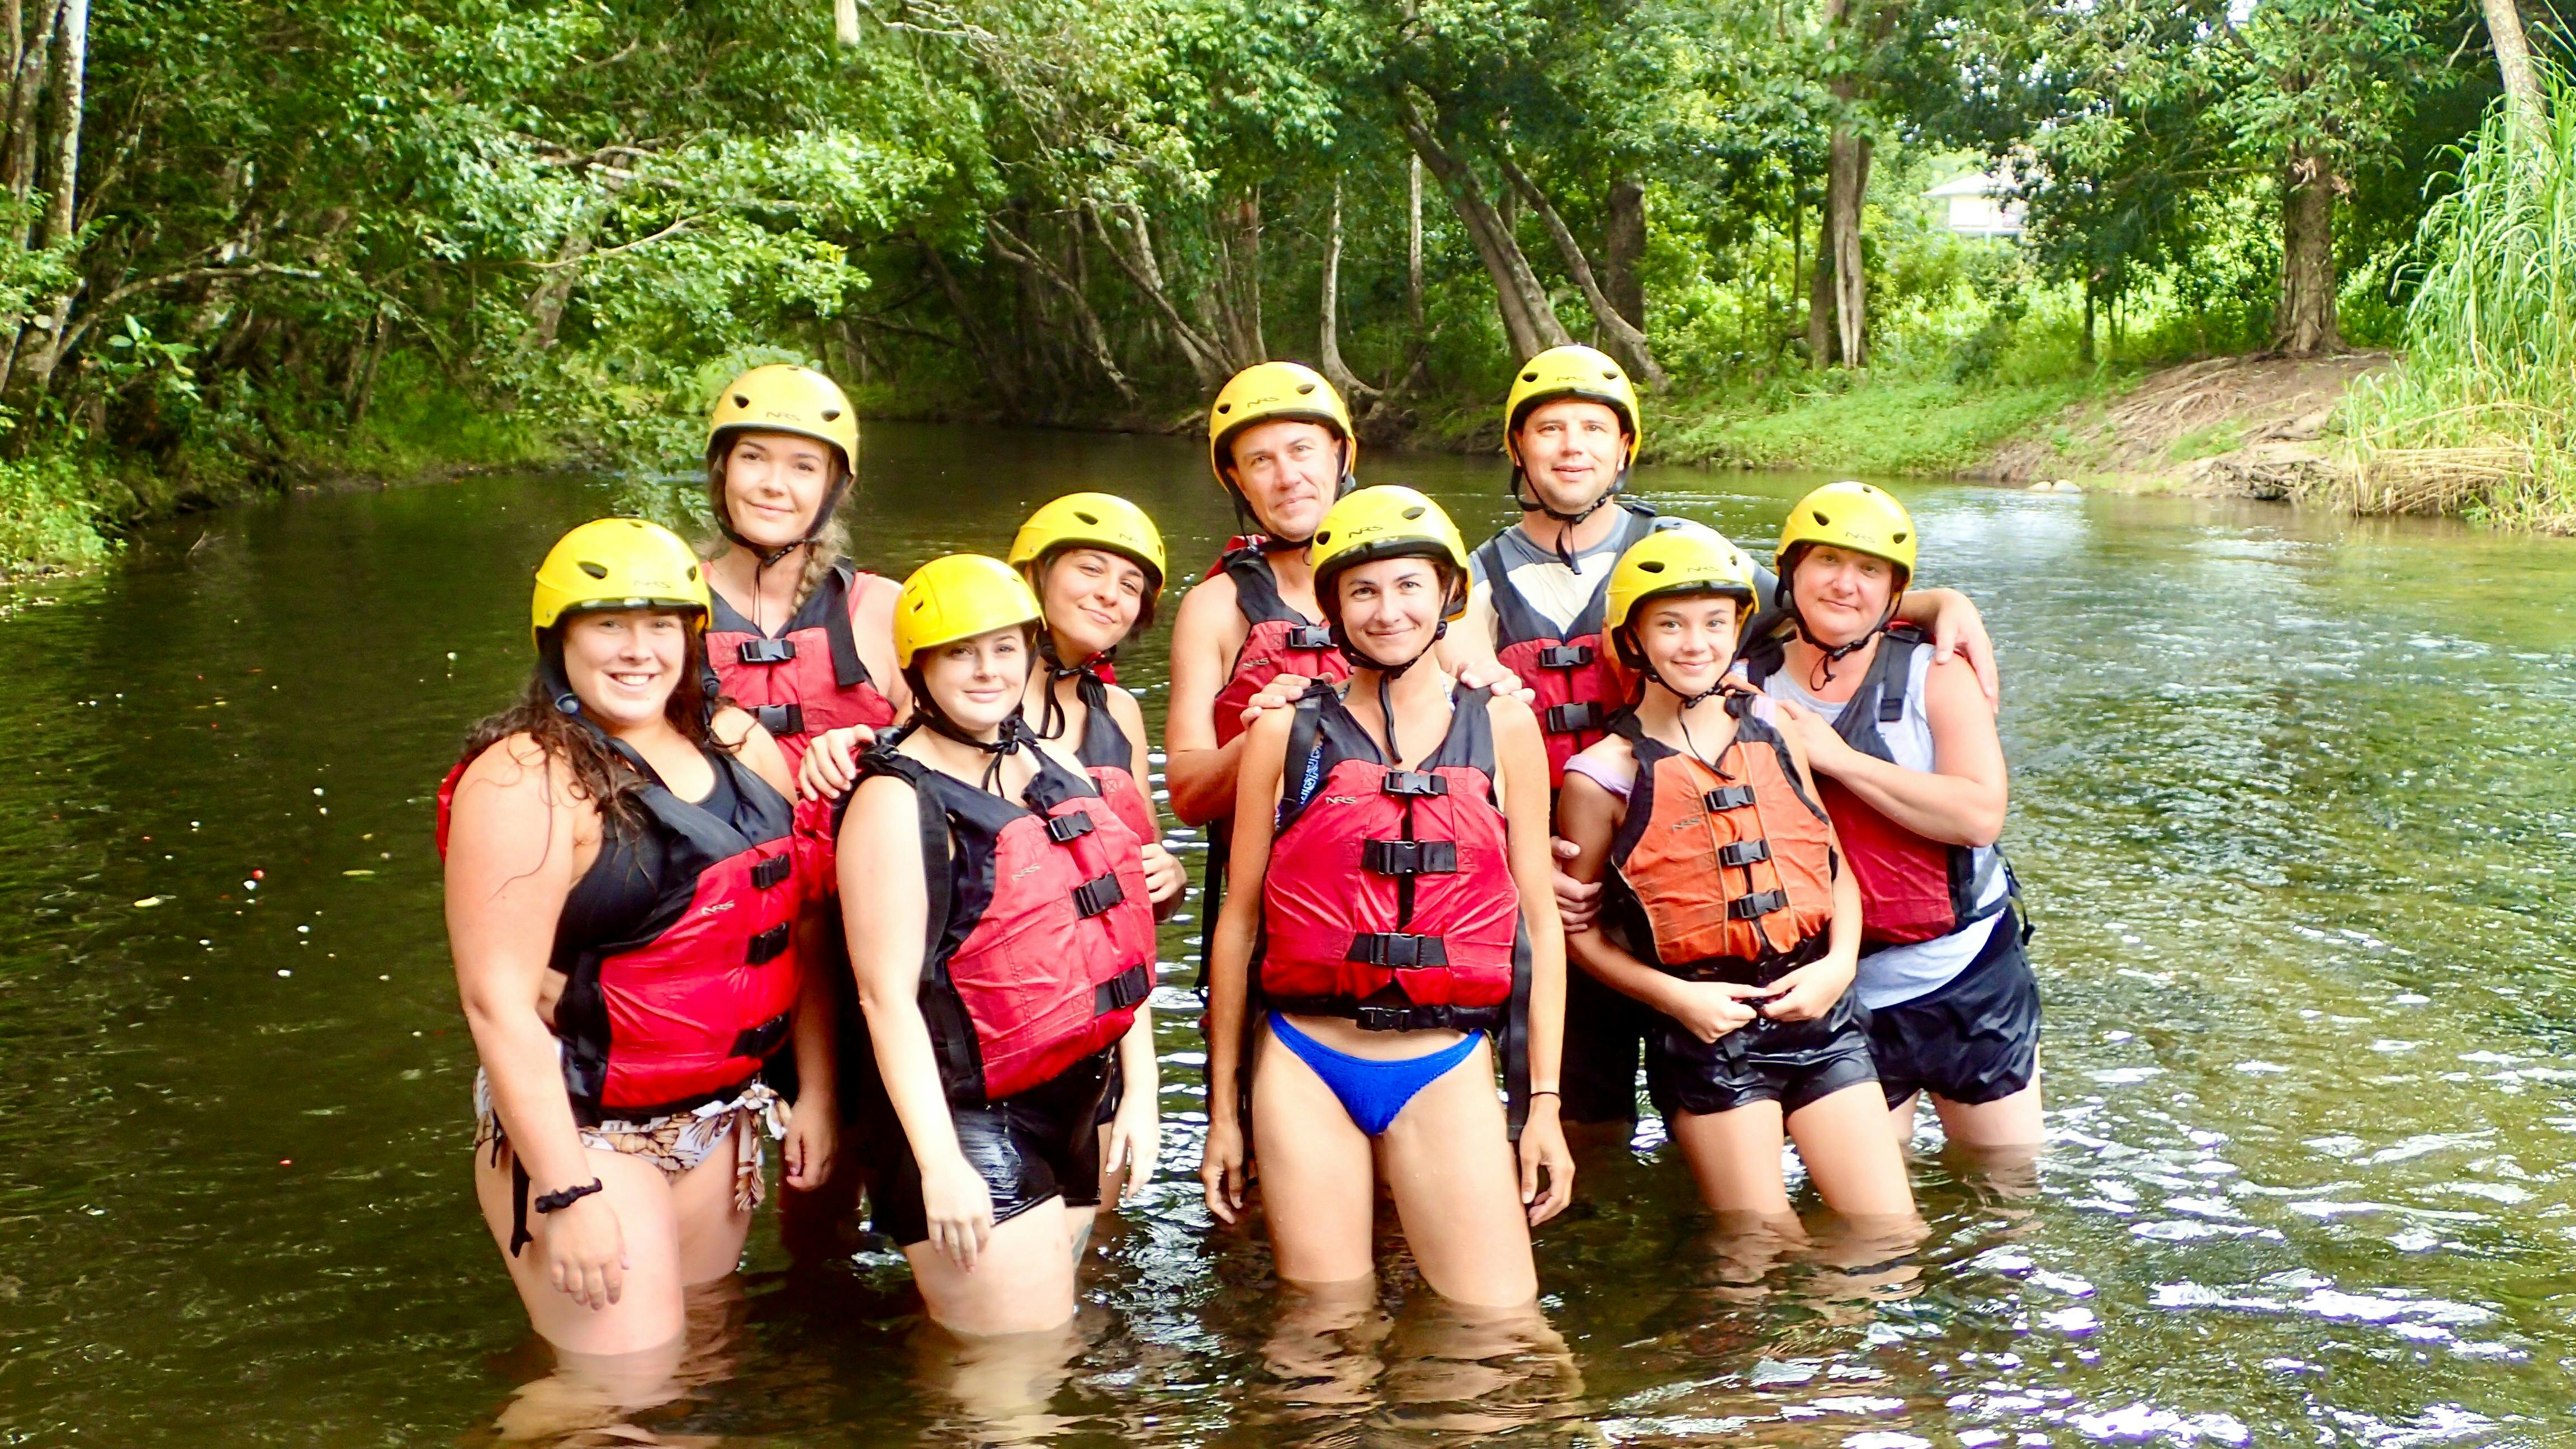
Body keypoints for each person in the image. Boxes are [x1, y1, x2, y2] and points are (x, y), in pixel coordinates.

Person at [1450, 348, 2008, 1137]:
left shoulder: (1691, 548)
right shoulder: (1474, 583)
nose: (1572, 446)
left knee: (1714, 1111)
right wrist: (1516, 849)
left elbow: (1829, 602)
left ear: (1624, 448)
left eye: (1592, 428)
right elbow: (1447, 738)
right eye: (1549, 429)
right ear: (1518, 448)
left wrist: (1941, 599)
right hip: (1575, 891)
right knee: (1585, 1123)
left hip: (1700, 890)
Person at [443, 518, 839, 1354]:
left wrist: (818, 1095)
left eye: (661, 626)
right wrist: (566, 1191)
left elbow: (795, 926)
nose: (637, 651)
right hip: (587, 1126)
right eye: (608, 625)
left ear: (693, 638)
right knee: (618, 1402)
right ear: (560, 641)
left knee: (698, 1359)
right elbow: (496, 1003)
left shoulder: (740, 744)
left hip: (717, 1117)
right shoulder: (524, 779)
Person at [1200, 486, 1574, 1308]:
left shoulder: (1507, 727)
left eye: (1409, 586)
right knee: (1325, 1341)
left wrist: (1541, 1104)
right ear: (1333, 608)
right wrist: (1223, 1111)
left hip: (1444, 1061)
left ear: (1447, 595)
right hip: (1304, 1063)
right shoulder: (1282, 729)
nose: (1387, 610)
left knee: (1501, 1334)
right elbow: (1240, 925)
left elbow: (1539, 928)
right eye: (1362, 591)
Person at [838, 555, 1177, 1335]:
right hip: (967, 1119)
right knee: (1014, 1385)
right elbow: (883, 999)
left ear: (1030, 652)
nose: (986, 670)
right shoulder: (895, 799)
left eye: (1003, 648)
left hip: (1076, 1099)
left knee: (1040, 1354)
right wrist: (939, 1164)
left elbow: (1115, 932)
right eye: (960, 652)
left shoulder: (1051, 763)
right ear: (919, 668)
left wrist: (1144, 1092)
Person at [1553, 524, 1915, 1226]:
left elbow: (1829, 863)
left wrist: (1839, 967)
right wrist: (1674, 1001)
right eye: (1671, 625)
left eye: (1716, 623)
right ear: (1633, 640)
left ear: (1738, 629)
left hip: (1818, 1008)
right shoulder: (1600, 776)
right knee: (1761, 1248)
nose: (1696, 644)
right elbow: (1578, 932)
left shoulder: (1776, 726)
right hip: (1707, 1033)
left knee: (1890, 1238)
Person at [1738, 482, 2036, 1153]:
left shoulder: (1935, 670)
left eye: (1869, 571)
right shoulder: (1743, 678)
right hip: (1837, 990)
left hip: (1966, 975)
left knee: (2003, 1182)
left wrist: (1838, 758)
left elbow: (1981, 814)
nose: (1845, 585)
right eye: (1827, 564)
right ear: (1791, 573)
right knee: (1871, 1227)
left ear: (1895, 591)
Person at [692, 363, 905, 1257]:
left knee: (862, 1152)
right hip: (727, 936)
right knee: (778, 1177)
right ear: (721, 472)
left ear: (833, 486)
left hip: (861, 931)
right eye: (754, 459)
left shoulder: (882, 609)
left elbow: (965, 756)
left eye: (802, 466)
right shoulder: (664, 607)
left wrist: (870, 745)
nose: (776, 484)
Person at [1006, 491, 1187, 1207]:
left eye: (1130, 585)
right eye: (1090, 570)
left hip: (1098, 1023)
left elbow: (1134, 863)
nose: (1110, 595)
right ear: (1038, 575)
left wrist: (1167, 872)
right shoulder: (967, 683)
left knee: (1099, 1255)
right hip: (1001, 1017)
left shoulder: (1120, 712)